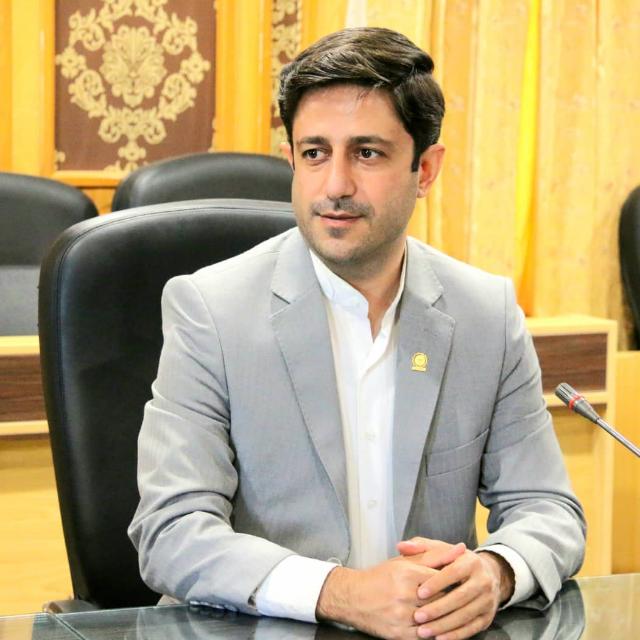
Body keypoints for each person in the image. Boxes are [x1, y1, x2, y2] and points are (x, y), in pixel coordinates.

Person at [129, 27, 585, 640]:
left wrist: (497, 572)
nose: (336, 185)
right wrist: (338, 593)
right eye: (315, 153)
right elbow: (171, 531)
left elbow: (548, 509)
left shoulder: (487, 314)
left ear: (426, 169)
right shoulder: (210, 309)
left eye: (367, 153)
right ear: (291, 161)